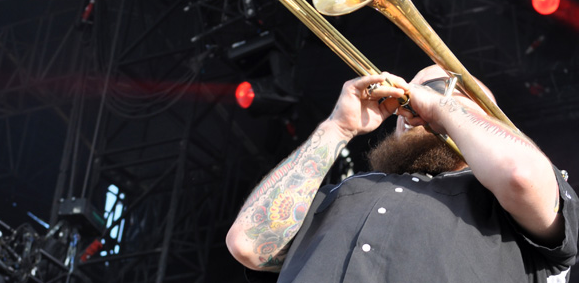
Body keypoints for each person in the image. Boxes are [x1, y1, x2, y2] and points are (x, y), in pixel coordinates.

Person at [226, 65, 579, 282]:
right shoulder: (342, 193)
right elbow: (249, 244)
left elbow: (519, 174)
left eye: (447, 90)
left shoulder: (519, 191)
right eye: (412, 94)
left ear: (488, 120)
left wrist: (443, 107)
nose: (414, 101)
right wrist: (336, 128)